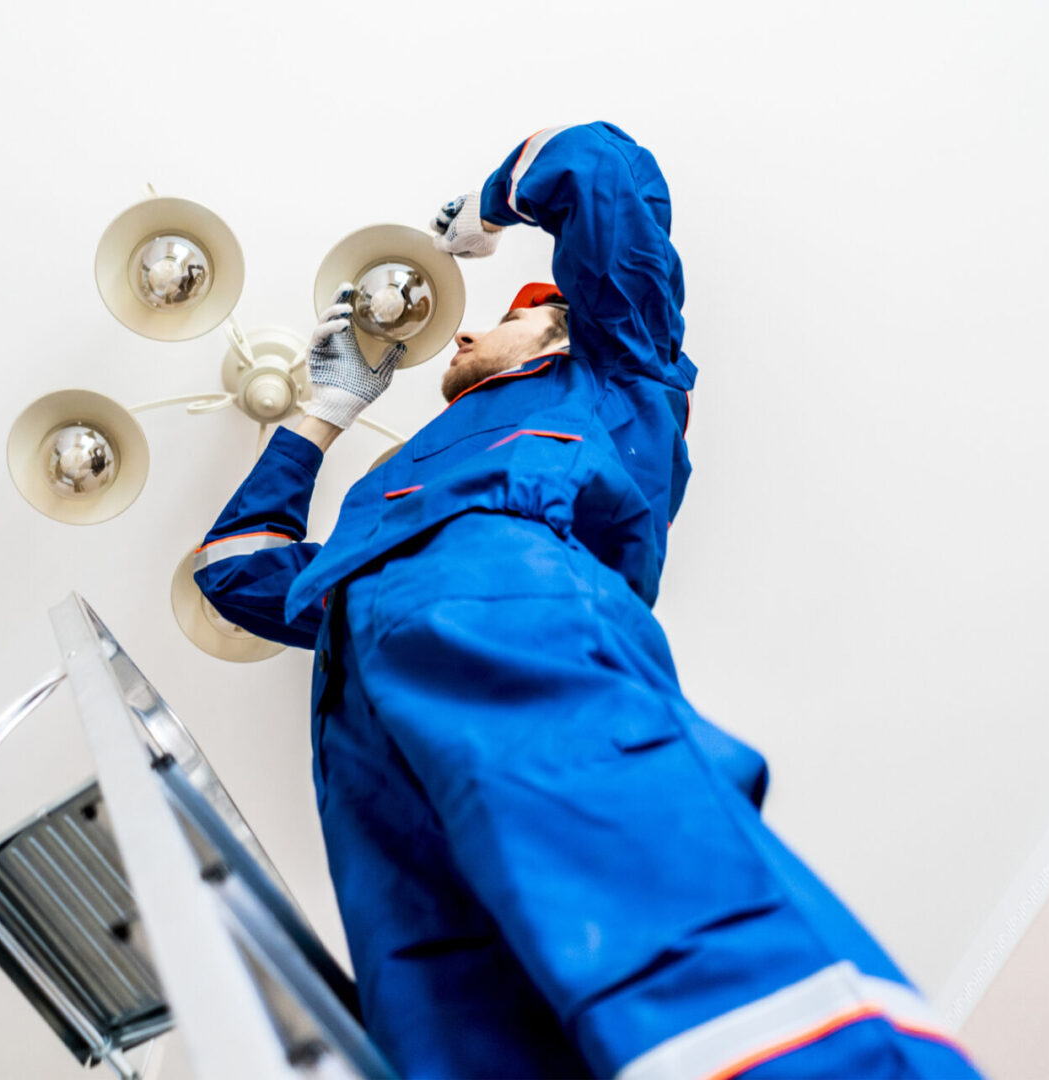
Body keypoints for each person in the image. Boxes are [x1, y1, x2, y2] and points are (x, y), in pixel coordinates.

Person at [193, 122, 981, 1079]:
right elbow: (233, 571)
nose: (468, 329)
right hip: (359, 708)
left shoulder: (617, 372)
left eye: (505, 317)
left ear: (565, 327)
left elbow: (594, 162)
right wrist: (323, 409)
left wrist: (480, 221)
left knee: (621, 865)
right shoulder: (387, 505)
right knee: (453, 1015)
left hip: (508, 587)